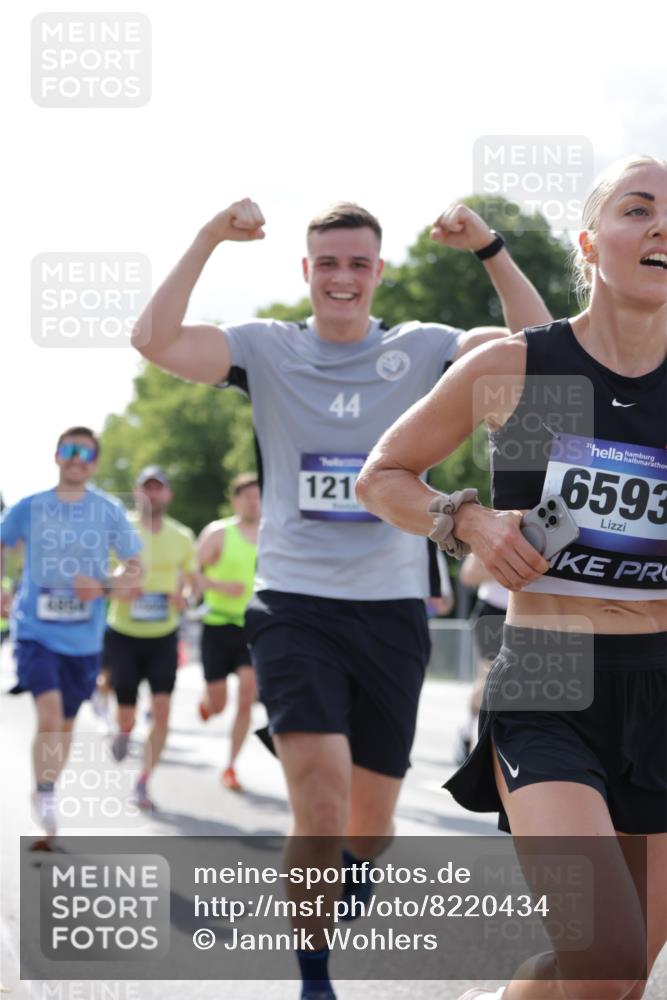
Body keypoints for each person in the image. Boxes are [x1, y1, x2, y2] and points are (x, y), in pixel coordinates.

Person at [131, 196, 551, 999]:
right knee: (318, 813)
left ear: (378, 272)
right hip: (292, 601)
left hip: (392, 608)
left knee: (370, 828)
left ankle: (355, 865)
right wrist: (209, 236)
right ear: (305, 271)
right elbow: (152, 340)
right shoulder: (266, 348)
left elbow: (537, 352)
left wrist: (489, 248)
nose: (342, 278)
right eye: (327, 262)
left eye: (358, 263)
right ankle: (313, 976)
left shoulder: (423, 348)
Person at [356, 155, 667, 1000]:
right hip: (549, 675)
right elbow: (381, 475)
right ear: (589, 242)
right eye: (638, 210)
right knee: (602, 961)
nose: (660, 229)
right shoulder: (517, 367)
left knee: (617, 973)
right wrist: (465, 518)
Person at [0, 427, 143, 838]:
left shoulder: (109, 511)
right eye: (69, 449)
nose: (77, 457)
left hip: (83, 640)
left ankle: (47, 786)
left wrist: (102, 586)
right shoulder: (29, 507)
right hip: (35, 632)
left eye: (86, 452)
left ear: (95, 462)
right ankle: (44, 791)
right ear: (57, 456)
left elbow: (135, 570)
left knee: (64, 725)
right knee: (48, 716)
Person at [104, 465, 197, 810]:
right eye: (146, 487)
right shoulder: (121, 528)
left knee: (162, 708)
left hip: (163, 634)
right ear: (138, 491)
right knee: (126, 709)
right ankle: (124, 730)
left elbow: (192, 582)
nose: (152, 494)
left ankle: (143, 781)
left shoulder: (182, 535)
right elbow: (100, 572)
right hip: (124, 633)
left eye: (158, 488)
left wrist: (183, 597)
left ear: (168, 495)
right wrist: (117, 587)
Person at [197, 472, 260, 791]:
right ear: (235, 501)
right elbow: (191, 574)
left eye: (258, 495)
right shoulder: (219, 533)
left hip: (252, 627)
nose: (253, 501)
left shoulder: (274, 535)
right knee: (219, 704)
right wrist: (220, 585)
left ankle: (231, 766)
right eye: (246, 496)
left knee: (248, 694)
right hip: (218, 624)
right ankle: (208, 702)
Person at [455, 553, 508, 763]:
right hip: (494, 612)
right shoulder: (496, 520)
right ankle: (468, 730)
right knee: (488, 679)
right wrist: (508, 563)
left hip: (532, 612)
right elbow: (468, 575)